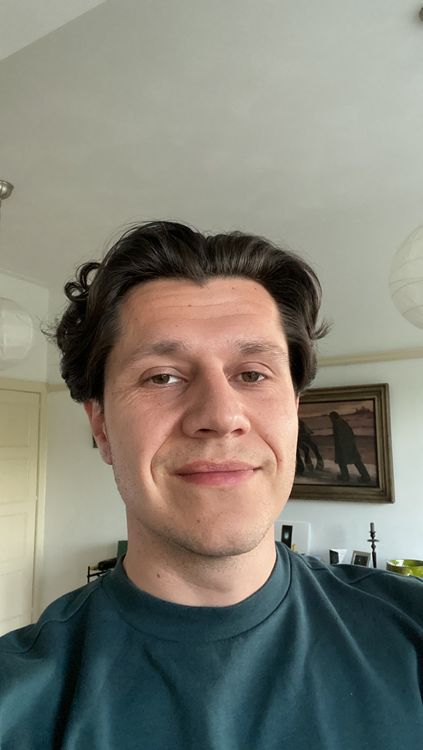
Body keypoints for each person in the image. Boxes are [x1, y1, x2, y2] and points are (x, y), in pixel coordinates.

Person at [0, 221, 421, 749]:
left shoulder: (411, 629)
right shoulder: (16, 705)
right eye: (162, 376)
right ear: (101, 426)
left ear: (294, 411)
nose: (221, 416)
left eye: (253, 374)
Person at [329, 410, 371, 483]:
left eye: (331, 418)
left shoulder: (337, 424)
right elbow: (350, 433)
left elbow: (339, 437)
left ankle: (345, 476)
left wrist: (340, 447)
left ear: (333, 417)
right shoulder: (343, 422)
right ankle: (365, 476)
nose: (330, 420)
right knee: (356, 460)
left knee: (342, 461)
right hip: (350, 445)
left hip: (343, 446)